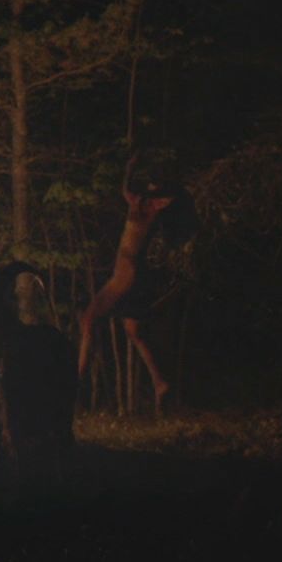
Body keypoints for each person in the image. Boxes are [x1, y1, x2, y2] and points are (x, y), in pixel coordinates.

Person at [76, 153, 198, 410]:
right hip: (127, 269)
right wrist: (129, 168)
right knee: (133, 330)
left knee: (88, 319)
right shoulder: (140, 201)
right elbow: (126, 190)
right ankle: (159, 382)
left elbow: (166, 197)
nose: (148, 190)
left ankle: (76, 380)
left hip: (126, 271)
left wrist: (173, 187)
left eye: (153, 187)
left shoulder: (152, 206)